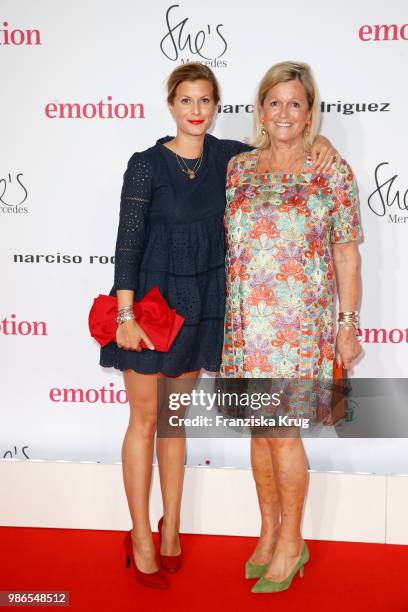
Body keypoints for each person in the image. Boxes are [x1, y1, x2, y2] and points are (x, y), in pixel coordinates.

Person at [99, 62, 339, 589]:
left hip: (201, 306)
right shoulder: (145, 165)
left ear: (216, 106)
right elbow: (127, 242)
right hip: (149, 309)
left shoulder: (231, 160)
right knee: (143, 421)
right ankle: (139, 535)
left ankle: (172, 533)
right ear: (170, 105)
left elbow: (288, 148)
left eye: (205, 100)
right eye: (186, 100)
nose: (196, 110)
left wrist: (325, 146)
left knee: (173, 422)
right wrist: (124, 314)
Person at [220, 61, 363, 593]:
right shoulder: (238, 169)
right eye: (274, 102)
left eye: (295, 103)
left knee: (283, 433)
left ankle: (293, 541)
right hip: (244, 326)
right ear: (260, 110)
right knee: (260, 434)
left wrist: (347, 326)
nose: (284, 112)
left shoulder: (331, 170)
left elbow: (347, 257)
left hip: (300, 328)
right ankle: (267, 532)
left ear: (309, 113)